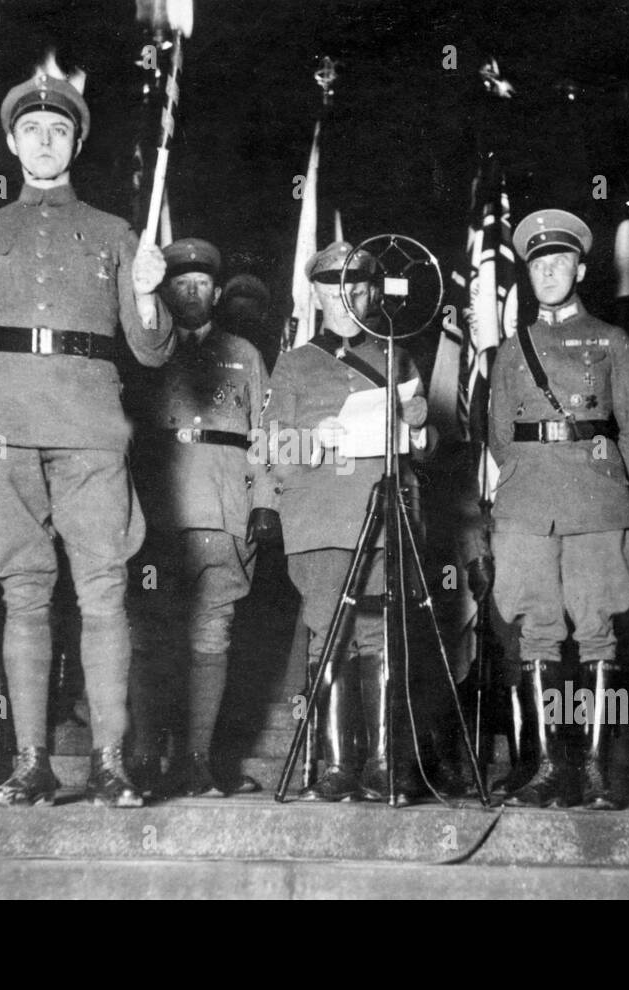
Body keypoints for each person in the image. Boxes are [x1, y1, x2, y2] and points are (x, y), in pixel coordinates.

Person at [0, 71, 172, 807]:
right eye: (30, 129)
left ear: (76, 141)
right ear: (10, 141)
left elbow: (151, 351)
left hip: (92, 426)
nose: (43, 140)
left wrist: (150, 292)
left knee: (105, 589)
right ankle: (30, 765)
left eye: (58, 130)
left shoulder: (114, 234)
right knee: (22, 590)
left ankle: (109, 764)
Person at [487, 209, 629, 811]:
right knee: (536, 632)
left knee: (597, 634)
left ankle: (594, 771)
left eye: (560, 261)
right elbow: (500, 436)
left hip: (596, 503)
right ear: (527, 275)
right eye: (538, 263)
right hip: (527, 503)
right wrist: (533, 476)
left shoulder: (611, 341)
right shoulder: (511, 350)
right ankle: (548, 768)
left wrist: (607, 483)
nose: (550, 271)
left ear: (581, 268)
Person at [264, 240, 430, 804]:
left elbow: (424, 451)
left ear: (372, 291)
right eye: (332, 290)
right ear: (315, 294)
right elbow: (269, 446)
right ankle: (336, 765)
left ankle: (384, 761)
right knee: (330, 636)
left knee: (382, 636)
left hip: (383, 514)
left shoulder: (396, 356)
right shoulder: (293, 363)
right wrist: (317, 439)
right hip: (320, 519)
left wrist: (421, 427)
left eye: (355, 288)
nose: (344, 300)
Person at [127, 237, 280, 796]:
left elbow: (266, 438)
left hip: (222, 509)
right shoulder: (146, 348)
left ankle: (196, 760)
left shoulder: (245, 354)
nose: (191, 294)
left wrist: (265, 500)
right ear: (165, 288)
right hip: (159, 511)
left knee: (211, 633)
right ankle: (145, 756)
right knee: (149, 634)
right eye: (180, 284)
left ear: (217, 293)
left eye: (201, 285)